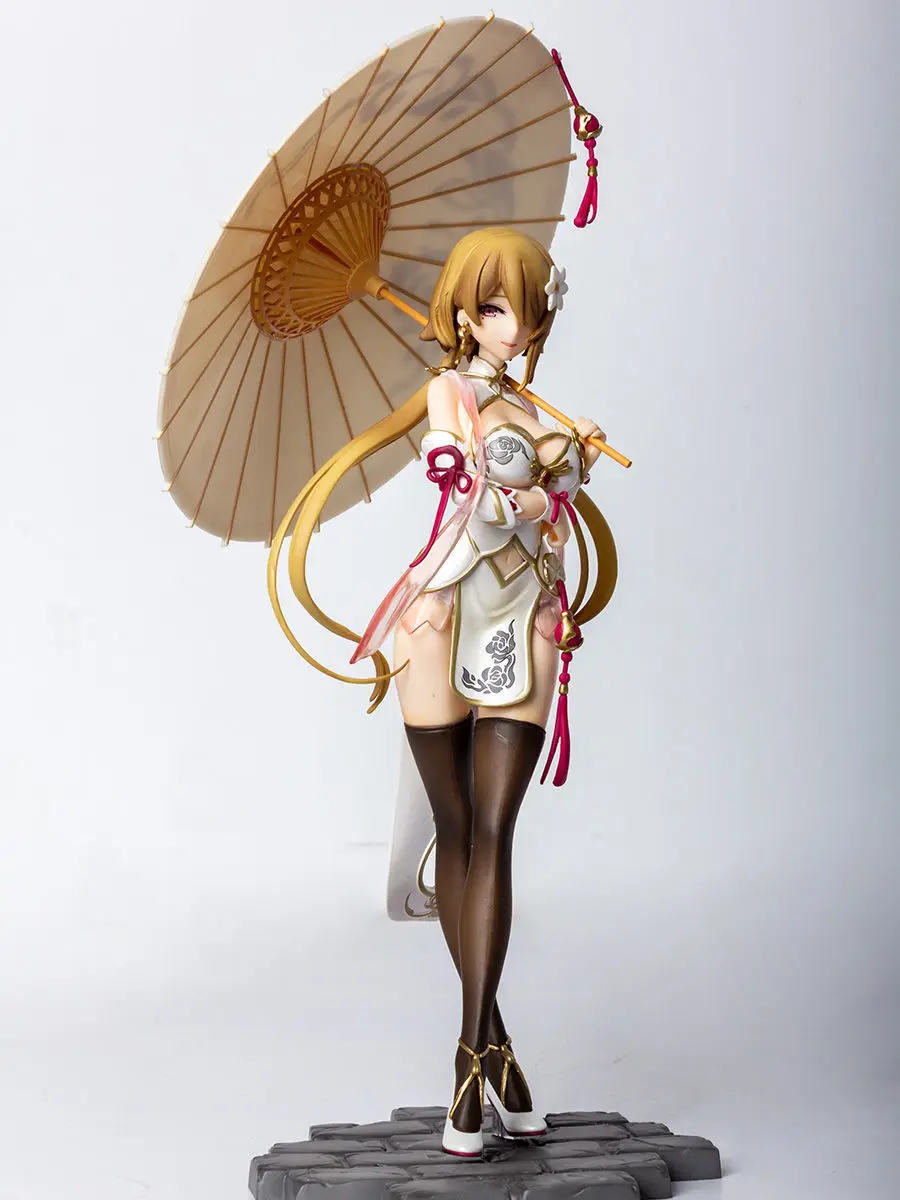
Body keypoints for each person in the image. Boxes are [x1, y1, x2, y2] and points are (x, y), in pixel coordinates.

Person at [276, 228, 616, 1156]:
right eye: (496, 307)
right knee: (459, 829)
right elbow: (473, 494)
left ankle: (473, 1052)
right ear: (466, 313)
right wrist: (543, 476)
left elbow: (547, 504)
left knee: (495, 830)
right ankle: (488, 1053)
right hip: (446, 613)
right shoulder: (451, 394)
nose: (514, 324)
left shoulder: (536, 406)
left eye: (526, 308)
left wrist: (569, 456)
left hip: (529, 618)